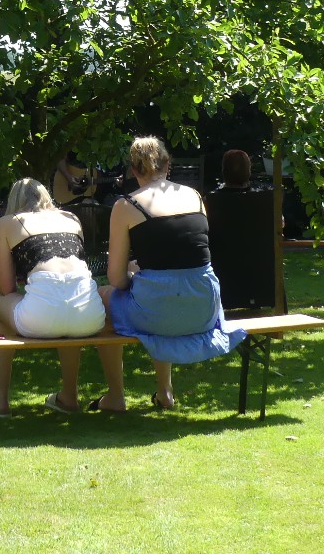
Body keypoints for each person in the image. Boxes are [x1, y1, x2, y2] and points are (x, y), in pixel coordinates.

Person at [100, 136, 246, 412]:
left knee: (104, 298)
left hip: (160, 309)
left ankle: (116, 396)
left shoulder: (125, 206)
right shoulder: (194, 197)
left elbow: (116, 279)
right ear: (168, 165)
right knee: (160, 292)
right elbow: (188, 257)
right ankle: (165, 392)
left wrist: (135, 275)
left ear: (134, 170)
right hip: (205, 308)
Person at [0, 178, 117, 418]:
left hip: (41, 315)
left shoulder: (7, 223)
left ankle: (0, 400)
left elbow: (5, 287)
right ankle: (69, 396)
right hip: (88, 312)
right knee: (67, 310)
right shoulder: (70, 219)